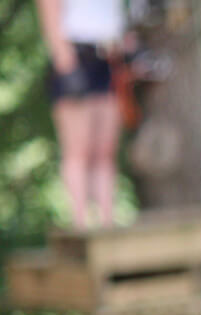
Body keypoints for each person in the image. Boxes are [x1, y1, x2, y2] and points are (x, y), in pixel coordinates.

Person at [36, 0, 130, 229]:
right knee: (78, 149)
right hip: (76, 57)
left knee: (105, 150)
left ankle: (107, 220)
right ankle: (81, 222)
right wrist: (66, 64)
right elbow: (49, 14)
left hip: (109, 58)